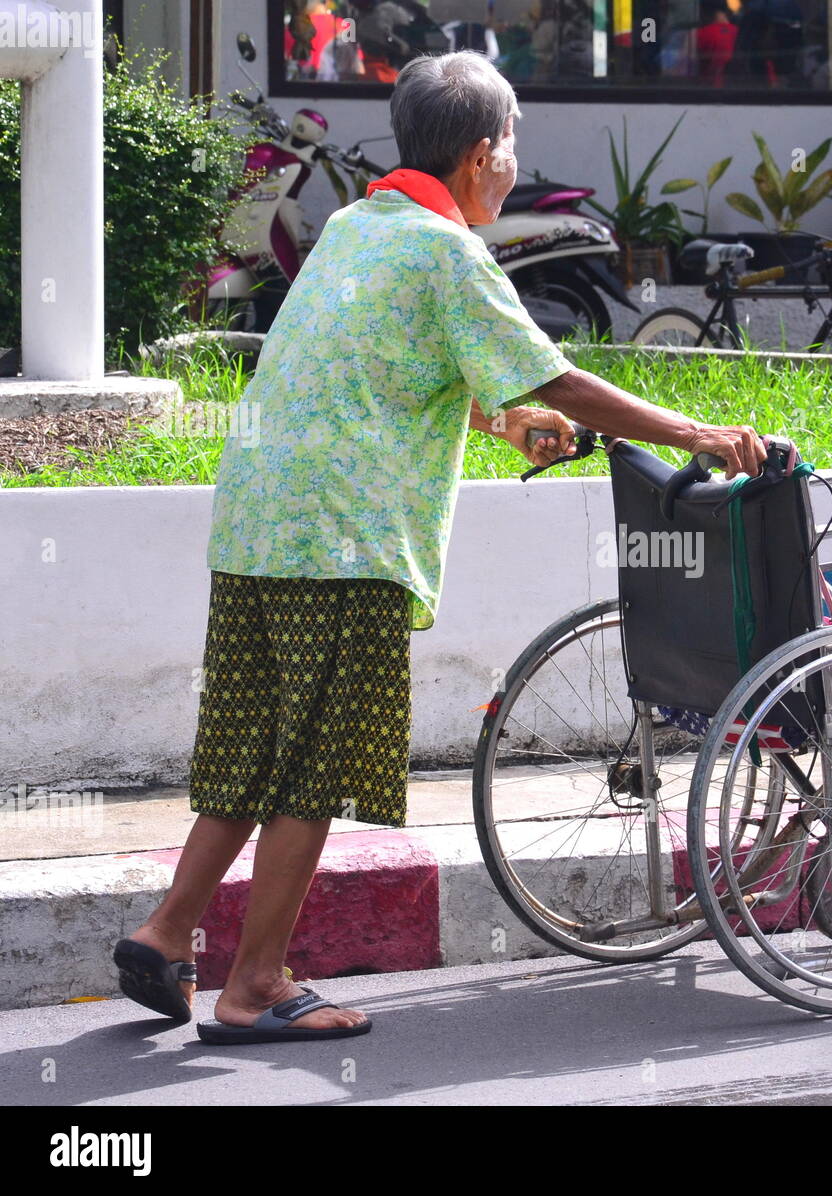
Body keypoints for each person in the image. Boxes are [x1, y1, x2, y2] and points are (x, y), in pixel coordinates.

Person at [112, 49, 764, 1044]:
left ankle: (164, 933)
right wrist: (695, 432)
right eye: (512, 145)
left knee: (251, 746)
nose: (514, 164)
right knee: (311, 765)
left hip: (254, 521)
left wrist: (499, 426)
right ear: (480, 153)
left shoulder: (353, 226)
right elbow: (559, 380)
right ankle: (255, 982)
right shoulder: (449, 252)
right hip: (342, 538)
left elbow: (378, 368)